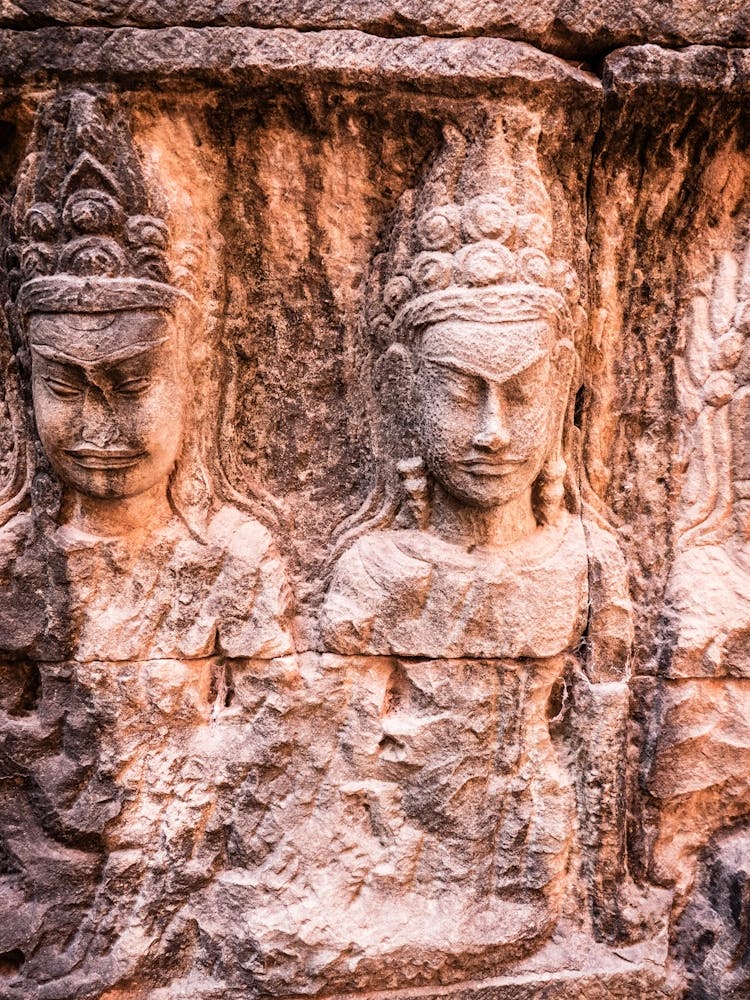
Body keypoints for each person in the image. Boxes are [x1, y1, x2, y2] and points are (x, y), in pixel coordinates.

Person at [0, 89, 293, 661]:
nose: (99, 427)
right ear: (21, 384)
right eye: (62, 385)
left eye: (132, 385)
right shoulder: (12, 570)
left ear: (199, 382)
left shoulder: (239, 565)